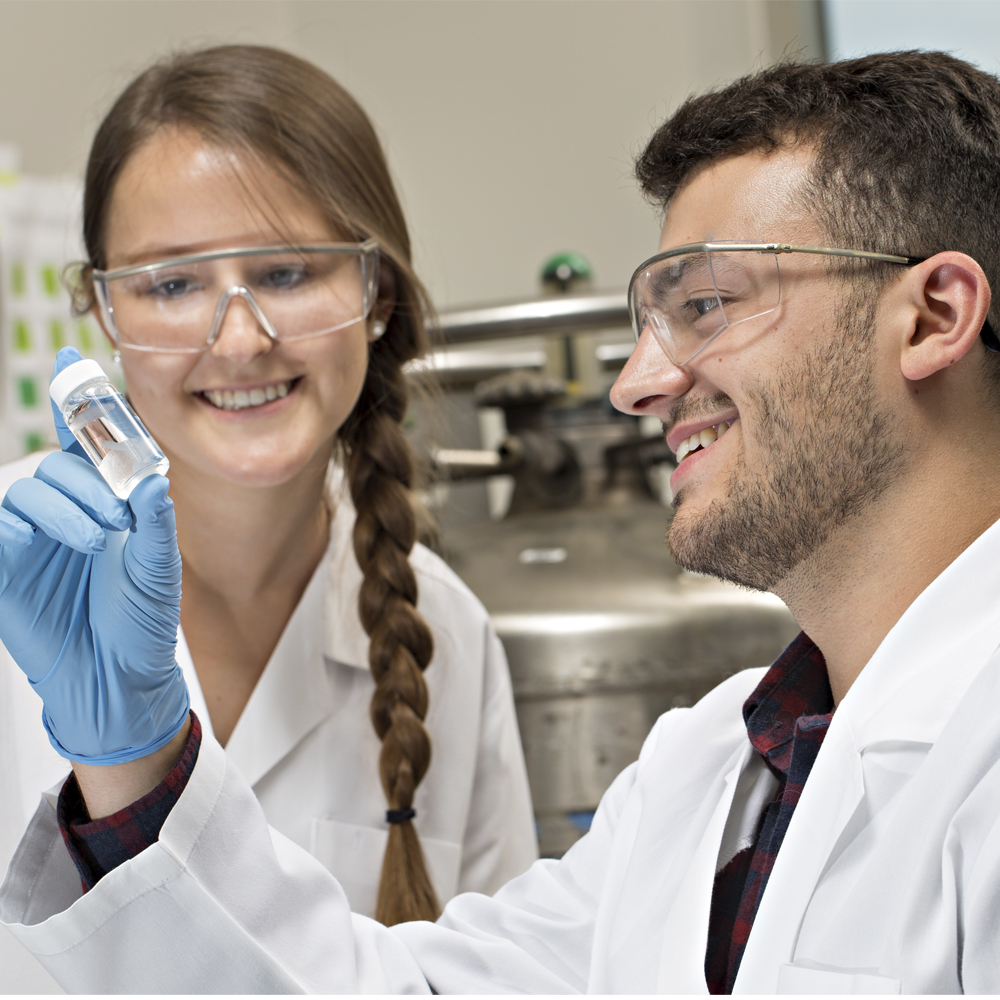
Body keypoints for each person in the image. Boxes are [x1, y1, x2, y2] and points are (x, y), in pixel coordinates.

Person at [5, 48, 1000, 994]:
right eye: (171, 282)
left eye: (705, 303)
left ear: (930, 315)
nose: (635, 385)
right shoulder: (707, 778)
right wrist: (135, 763)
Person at [0, 44, 537, 992]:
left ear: (376, 294)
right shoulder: (18, 565)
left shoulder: (445, 635)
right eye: (172, 285)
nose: (241, 339)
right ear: (102, 312)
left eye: (287, 272)